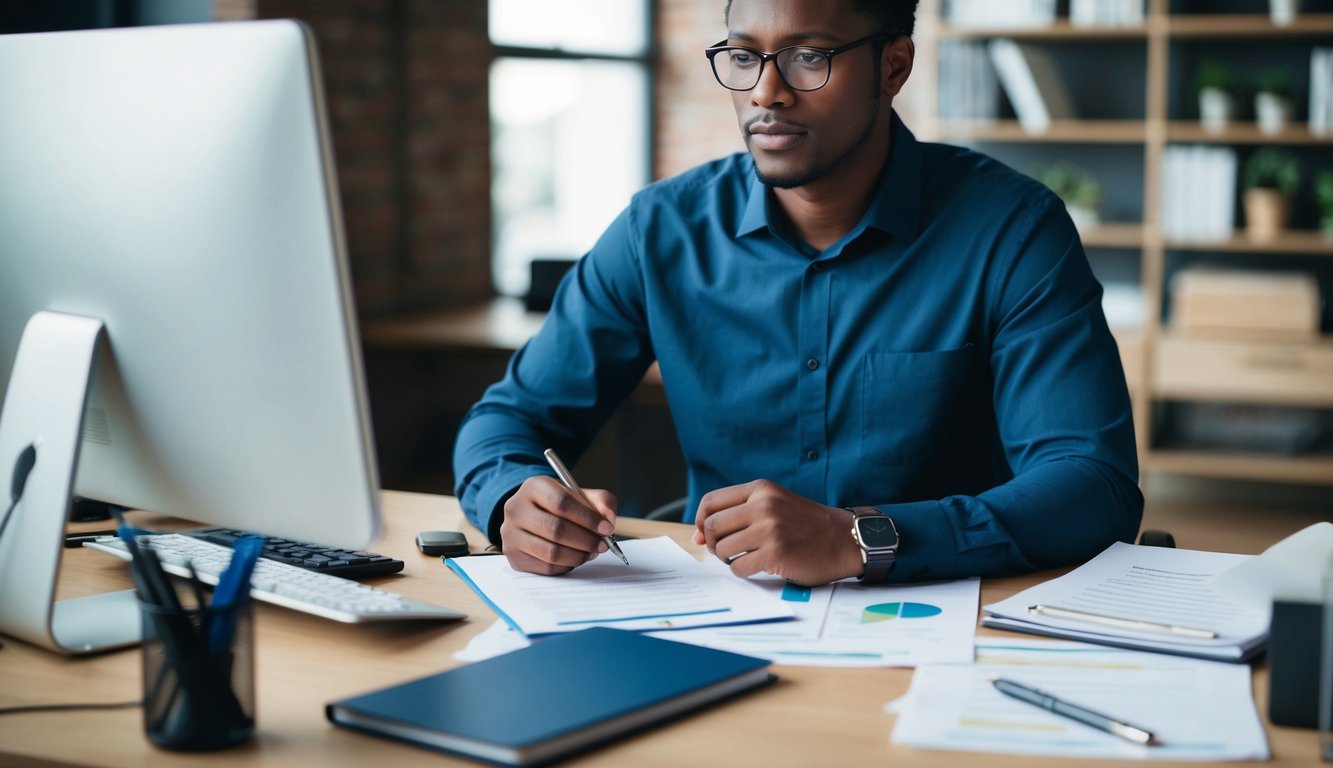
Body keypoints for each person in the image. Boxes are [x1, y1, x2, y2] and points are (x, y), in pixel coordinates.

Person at [453, 0, 1142, 587]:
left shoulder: (1011, 230)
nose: (765, 93)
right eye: (744, 57)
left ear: (892, 67)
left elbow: (1091, 484)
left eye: (808, 56)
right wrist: (512, 499)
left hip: (944, 615)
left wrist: (863, 538)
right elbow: (507, 423)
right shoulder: (658, 232)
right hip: (717, 618)